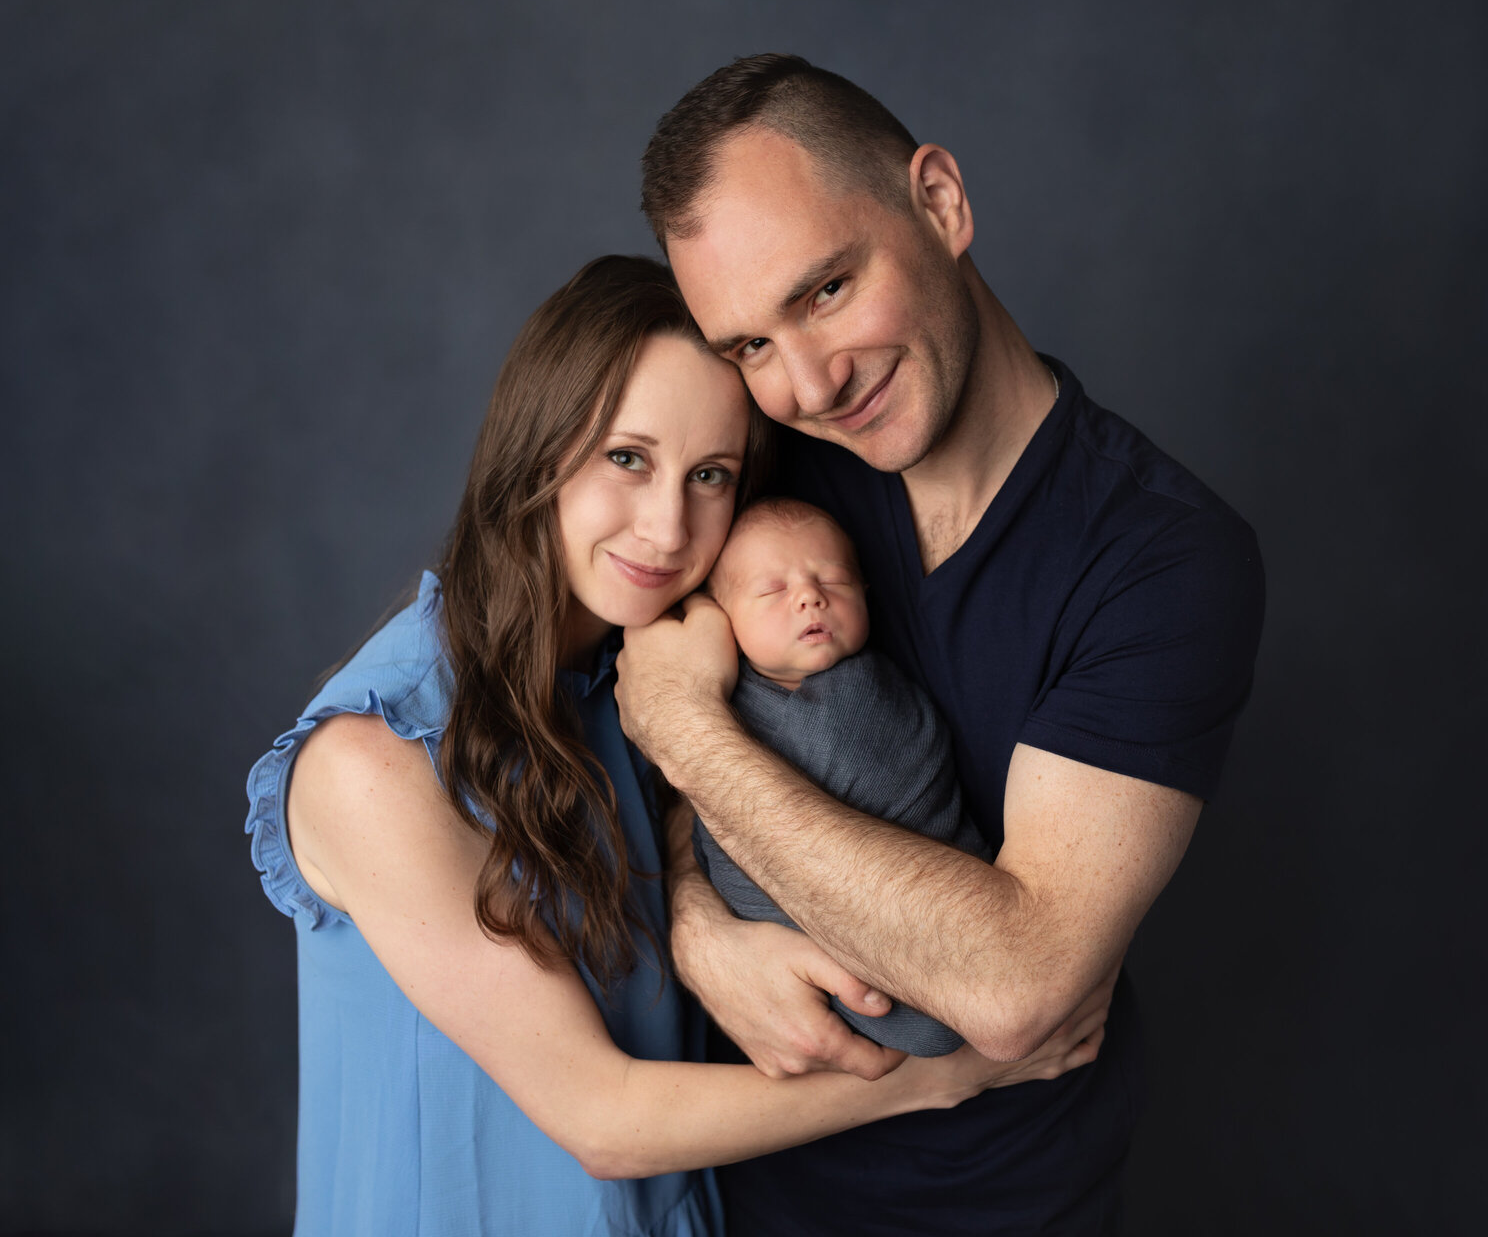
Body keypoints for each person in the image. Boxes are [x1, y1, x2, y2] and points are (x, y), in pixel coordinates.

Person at [243, 255, 1094, 1236]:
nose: (667, 524)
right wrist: (946, 1075)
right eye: (627, 457)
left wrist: (706, 921)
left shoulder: (650, 681)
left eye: (709, 476)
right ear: (538, 449)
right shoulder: (374, 759)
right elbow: (600, 1117)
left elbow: (702, 836)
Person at [618, 56, 1267, 1234]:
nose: (809, 383)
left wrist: (688, 736)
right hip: (717, 1196)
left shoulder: (1161, 560)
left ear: (941, 203)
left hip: (996, 1207)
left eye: (823, 289)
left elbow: (1014, 985)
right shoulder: (768, 476)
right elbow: (594, 701)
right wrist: (696, 923)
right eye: (749, 345)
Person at [692, 497, 991, 1057]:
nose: (811, 596)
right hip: (790, 933)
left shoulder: (866, 694)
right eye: (772, 590)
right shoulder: (725, 693)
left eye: (834, 579)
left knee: (937, 1023)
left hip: (914, 913)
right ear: (718, 615)